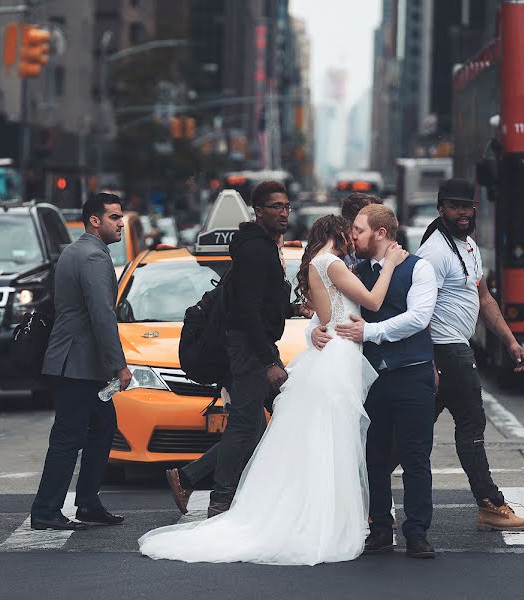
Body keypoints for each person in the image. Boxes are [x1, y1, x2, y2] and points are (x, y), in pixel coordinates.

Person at [139, 215, 405, 565]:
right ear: (337, 233)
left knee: (324, 440)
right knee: (334, 440)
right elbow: (371, 302)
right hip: (339, 356)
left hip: (331, 352)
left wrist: (313, 329)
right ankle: (326, 519)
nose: (354, 238)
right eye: (351, 232)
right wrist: (390, 265)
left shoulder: (316, 264)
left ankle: (321, 513)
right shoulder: (332, 263)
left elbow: (322, 314)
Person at [165, 181, 305, 519]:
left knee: (253, 426)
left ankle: (186, 477)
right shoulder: (257, 250)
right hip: (249, 347)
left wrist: (294, 309)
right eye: (275, 206)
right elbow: (247, 312)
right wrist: (269, 359)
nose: (283, 212)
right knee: (244, 426)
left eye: (286, 206)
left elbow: (262, 303)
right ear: (258, 210)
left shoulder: (263, 246)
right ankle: (220, 502)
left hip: (248, 343)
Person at [312, 204, 439, 558]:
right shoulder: (354, 269)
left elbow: (418, 317)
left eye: (359, 229)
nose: (353, 236)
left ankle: (417, 532)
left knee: (416, 457)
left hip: (413, 373)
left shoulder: (420, 268)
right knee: (373, 457)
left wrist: (372, 332)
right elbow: (332, 309)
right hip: (367, 378)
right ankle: (380, 528)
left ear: (380, 234)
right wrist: (314, 333)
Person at [415, 178, 524, 532]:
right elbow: (420, 310)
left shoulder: (467, 246)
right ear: (441, 209)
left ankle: (369, 500)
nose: (462, 213)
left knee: (413, 432)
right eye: (454, 207)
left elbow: (484, 299)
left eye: (467, 207)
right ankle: (491, 504)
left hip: (456, 350)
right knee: (470, 427)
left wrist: (510, 341)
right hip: (445, 351)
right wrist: (431, 361)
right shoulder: (433, 253)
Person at [30, 193, 131, 531]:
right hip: (79, 364)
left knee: (102, 429)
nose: (121, 223)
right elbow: (102, 315)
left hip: (76, 362)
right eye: (114, 217)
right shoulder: (93, 257)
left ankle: (88, 503)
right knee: (68, 437)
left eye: (121, 217)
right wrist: (119, 364)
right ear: (94, 220)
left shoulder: (74, 251)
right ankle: (46, 510)